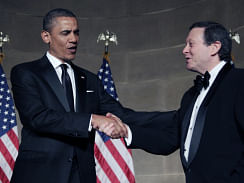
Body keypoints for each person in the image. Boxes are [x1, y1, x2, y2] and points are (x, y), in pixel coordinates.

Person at [10, 8, 177, 183]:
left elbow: (124, 115)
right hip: (38, 174)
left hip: (82, 176)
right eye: (66, 33)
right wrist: (92, 120)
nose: (73, 39)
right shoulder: (26, 72)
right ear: (46, 36)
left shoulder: (90, 80)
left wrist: (176, 117)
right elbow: (36, 117)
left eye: (76, 33)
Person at [119, 21, 244, 183]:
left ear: (214, 47)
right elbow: (169, 140)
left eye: (190, 44)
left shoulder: (239, 82)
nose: (184, 50)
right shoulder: (191, 95)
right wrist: (126, 132)